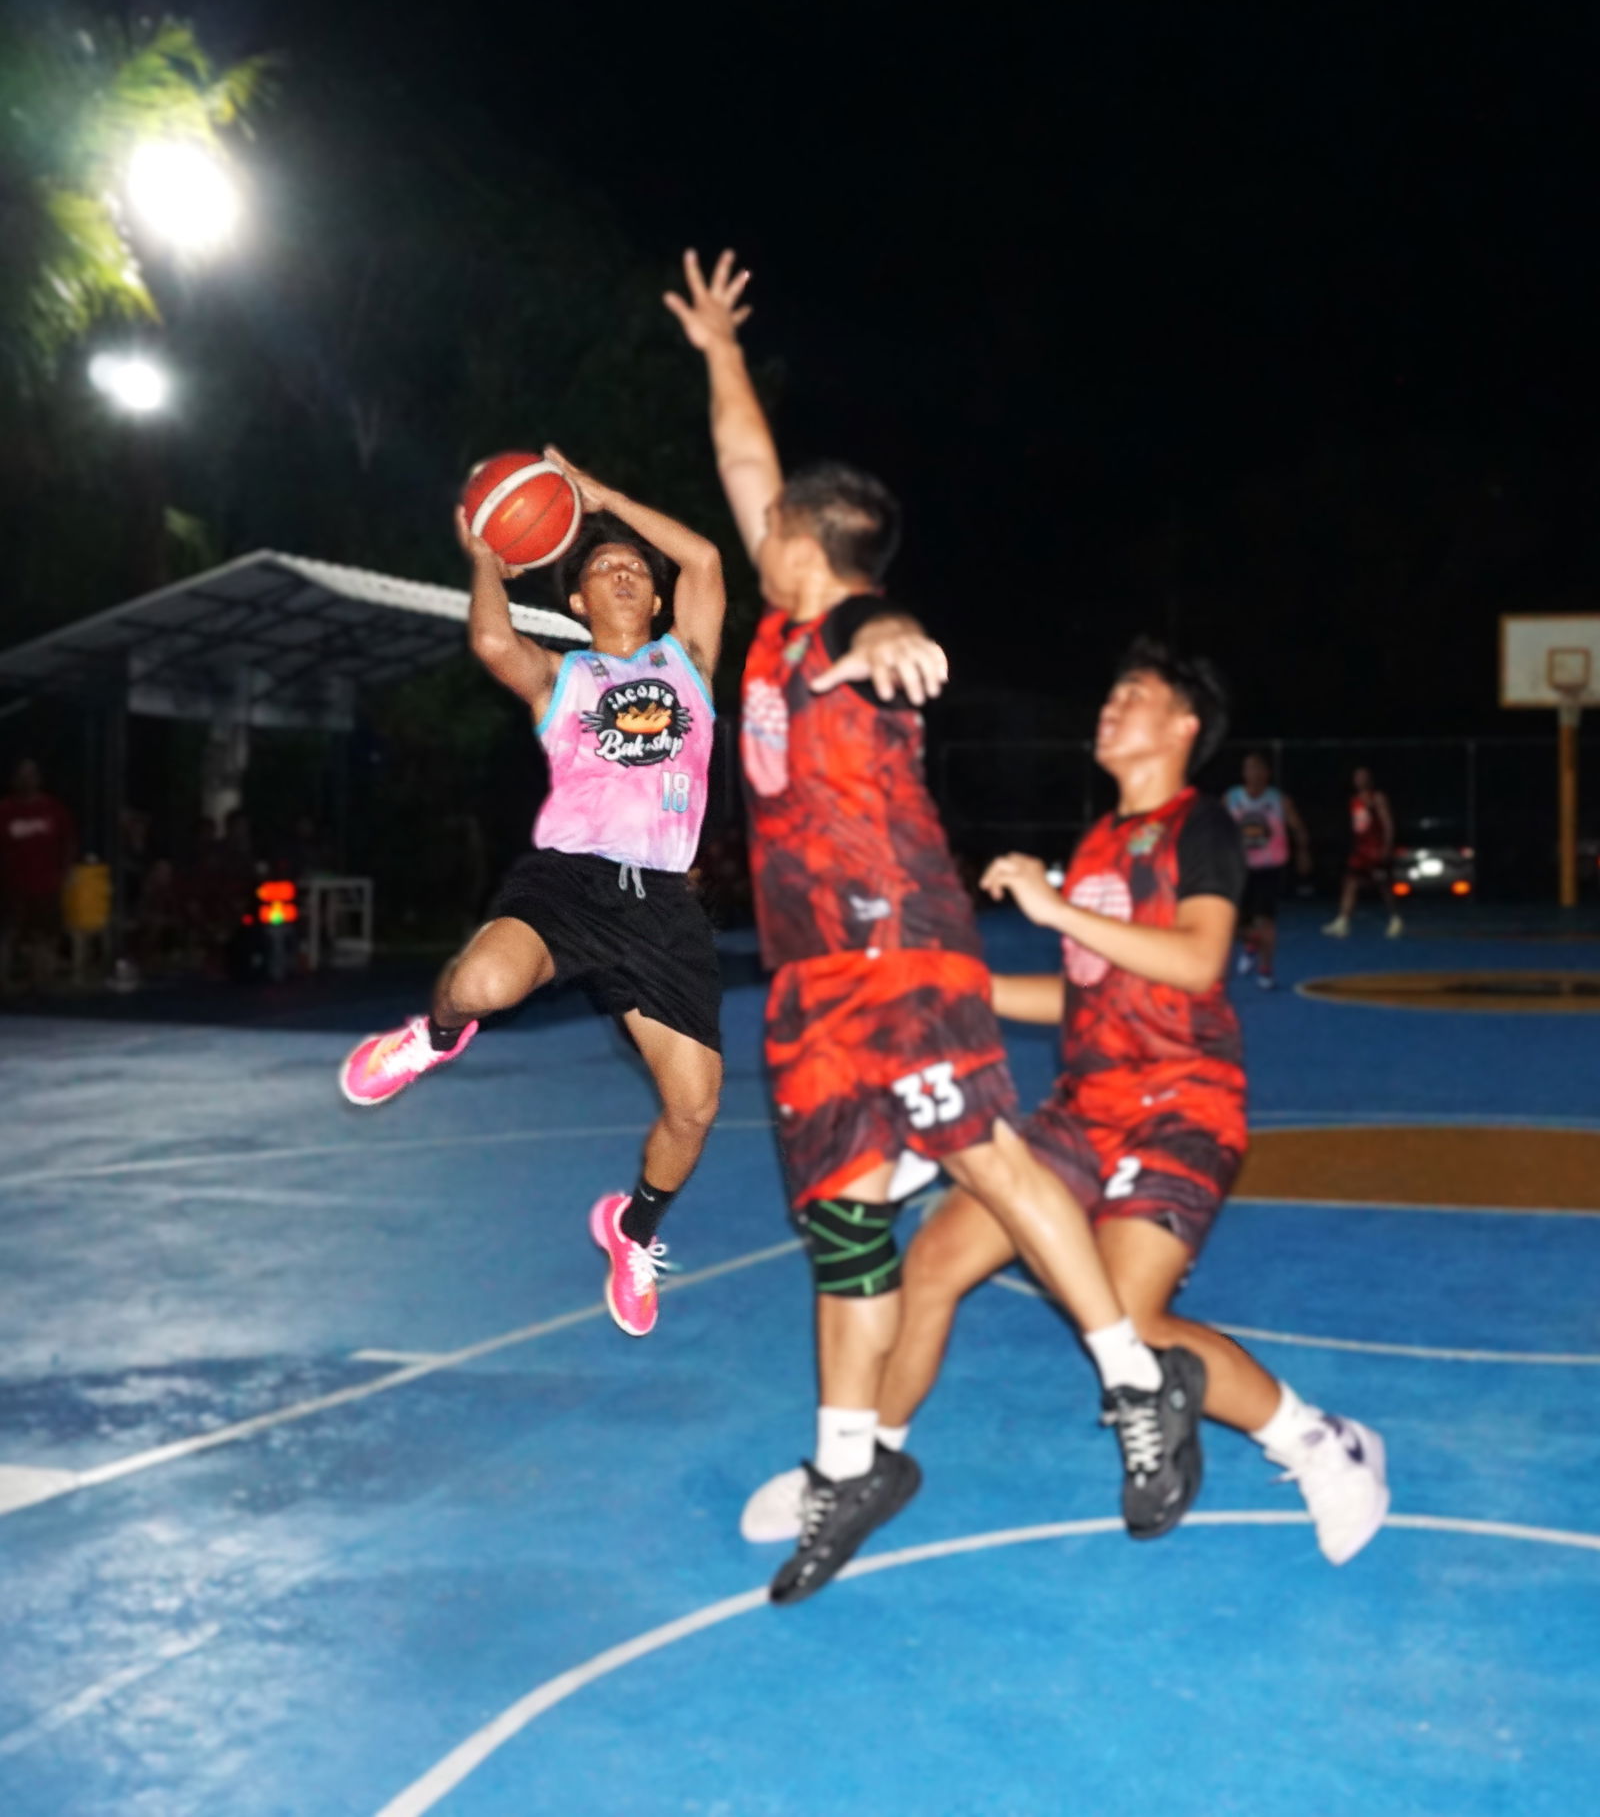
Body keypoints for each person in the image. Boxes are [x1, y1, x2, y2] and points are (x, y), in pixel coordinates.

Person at [668, 250, 1205, 1604]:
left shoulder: (848, 624)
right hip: (806, 981)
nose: (755, 511)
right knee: (844, 1229)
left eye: (770, 515)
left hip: (897, 945)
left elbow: (889, 623)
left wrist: (897, 636)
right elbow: (745, 462)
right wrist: (721, 349)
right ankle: (853, 1462)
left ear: (804, 536)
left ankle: (1140, 1387)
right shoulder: (783, 627)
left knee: (983, 1155)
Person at [747, 641, 1390, 1568]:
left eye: (1135, 693)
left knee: (1132, 1316)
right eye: (1112, 688)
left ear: (1184, 727)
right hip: (1084, 1104)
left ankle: (1322, 1441)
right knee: (932, 1263)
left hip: (1181, 1100)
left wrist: (1052, 912)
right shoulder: (1096, 844)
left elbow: (1198, 961)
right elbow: (1086, 994)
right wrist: (957, 986)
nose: (1111, 704)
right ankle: (857, 1465)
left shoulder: (1198, 826)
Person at [339, 447, 726, 1339]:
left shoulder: (692, 666)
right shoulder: (564, 678)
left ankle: (632, 1231)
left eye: (634, 566)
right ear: (577, 604)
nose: (622, 569)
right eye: (601, 568)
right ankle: (429, 1038)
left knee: (695, 1107)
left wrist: (603, 496)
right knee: (480, 988)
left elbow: (704, 558)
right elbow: (488, 640)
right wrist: (484, 556)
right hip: (569, 881)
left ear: (657, 600)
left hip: (665, 905)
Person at [1224, 751, 1312, 988]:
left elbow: (1298, 828)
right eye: (1248, 768)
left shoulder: (1278, 800)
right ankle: (1251, 940)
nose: (1252, 773)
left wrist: (1303, 853)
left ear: (1266, 773)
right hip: (1239, 868)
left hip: (1269, 867)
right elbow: (1217, 829)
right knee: (1229, 924)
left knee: (1266, 920)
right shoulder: (1232, 798)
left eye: (1257, 768)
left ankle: (1265, 970)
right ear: (1243, 773)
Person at [0, 759, 75, 992]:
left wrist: (67, 872)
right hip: (12, 885)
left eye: (31, 775)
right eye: (22, 775)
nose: (27, 780)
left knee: (46, 936)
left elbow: (69, 842)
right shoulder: (5, 810)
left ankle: (42, 980)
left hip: (47, 884)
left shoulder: (53, 808)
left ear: (39, 779)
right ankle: (4, 982)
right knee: (8, 934)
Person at [1324, 765, 1401, 938]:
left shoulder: (1377, 798)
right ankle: (1343, 921)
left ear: (1369, 779)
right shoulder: (1354, 800)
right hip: (1361, 850)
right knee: (1350, 882)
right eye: (1356, 777)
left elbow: (1387, 822)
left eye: (1362, 776)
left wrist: (1387, 846)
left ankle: (1395, 918)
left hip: (1376, 849)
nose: (1359, 780)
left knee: (1383, 885)